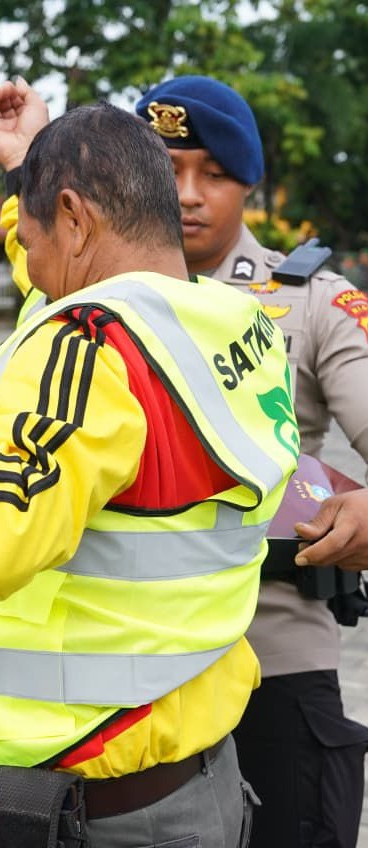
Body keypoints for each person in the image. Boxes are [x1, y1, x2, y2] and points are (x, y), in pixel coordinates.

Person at [0, 84, 298, 847]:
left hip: (109, 810)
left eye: (34, 237)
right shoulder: (221, 320)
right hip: (184, 773)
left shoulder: (95, 346)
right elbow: (68, 302)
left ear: (75, 218)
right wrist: (26, 176)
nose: (31, 270)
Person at [133, 76, 368, 848]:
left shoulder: (311, 301)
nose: (189, 195)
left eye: (215, 173)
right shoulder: (89, 305)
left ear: (251, 185)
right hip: (126, 666)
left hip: (270, 648)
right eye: (166, 172)